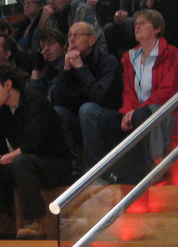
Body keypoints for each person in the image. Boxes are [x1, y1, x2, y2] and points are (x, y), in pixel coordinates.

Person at [0, 64, 74, 239]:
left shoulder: (35, 101)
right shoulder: (1, 109)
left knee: (21, 161)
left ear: (8, 85)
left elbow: (32, 147)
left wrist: (1, 159)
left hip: (55, 165)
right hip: (26, 165)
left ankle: (35, 221)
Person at [113, 9, 178, 182]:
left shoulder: (172, 54)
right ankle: (105, 173)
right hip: (139, 112)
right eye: (135, 24)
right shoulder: (130, 57)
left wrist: (136, 111)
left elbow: (168, 91)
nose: (137, 26)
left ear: (157, 29)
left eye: (142, 23)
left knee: (141, 115)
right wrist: (128, 112)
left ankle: (152, 167)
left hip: (168, 112)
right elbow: (129, 92)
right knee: (98, 116)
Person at [52, 21, 124, 173]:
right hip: (82, 119)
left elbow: (100, 97)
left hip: (108, 117)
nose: (71, 40)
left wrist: (80, 68)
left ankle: (96, 171)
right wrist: (65, 69)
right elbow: (56, 100)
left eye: (77, 35)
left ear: (92, 40)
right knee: (57, 112)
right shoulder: (69, 63)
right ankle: (73, 169)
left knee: (87, 109)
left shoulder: (108, 61)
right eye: (69, 35)